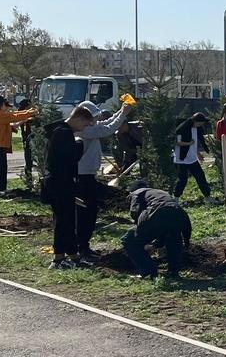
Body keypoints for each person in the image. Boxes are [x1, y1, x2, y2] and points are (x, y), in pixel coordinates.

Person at [74, 101, 133, 260]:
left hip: (87, 175)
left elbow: (104, 123)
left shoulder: (89, 126)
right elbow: (108, 129)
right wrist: (123, 114)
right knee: (86, 213)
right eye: (93, 117)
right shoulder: (84, 130)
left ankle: (83, 246)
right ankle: (82, 248)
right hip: (82, 177)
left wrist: (120, 110)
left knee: (90, 212)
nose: (95, 120)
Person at [42, 105, 92, 269]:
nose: (83, 129)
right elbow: (68, 159)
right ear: (78, 119)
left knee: (69, 219)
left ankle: (72, 255)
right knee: (63, 220)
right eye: (84, 124)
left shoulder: (59, 130)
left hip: (59, 182)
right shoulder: (63, 134)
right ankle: (58, 259)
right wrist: (79, 146)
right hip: (60, 182)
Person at [122, 180, 193, 279]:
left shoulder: (136, 193)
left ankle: (148, 271)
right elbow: (165, 219)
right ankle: (174, 271)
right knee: (173, 237)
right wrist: (156, 244)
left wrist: (141, 237)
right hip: (179, 214)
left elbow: (135, 212)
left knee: (129, 240)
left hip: (158, 213)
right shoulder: (159, 192)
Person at [0, 95, 37, 195]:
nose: (6, 107)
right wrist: (31, 112)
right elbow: (13, 116)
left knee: (1, 167)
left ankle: (1, 188)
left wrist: (27, 116)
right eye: (4, 105)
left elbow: (13, 117)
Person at [173, 113, 214, 201]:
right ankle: (175, 198)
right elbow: (176, 142)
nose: (199, 126)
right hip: (181, 159)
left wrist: (198, 153)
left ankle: (208, 197)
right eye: (199, 124)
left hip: (192, 159)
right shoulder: (182, 128)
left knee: (200, 177)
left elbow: (195, 144)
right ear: (194, 121)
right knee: (182, 180)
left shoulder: (197, 129)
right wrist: (188, 143)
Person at [16, 99, 36, 184]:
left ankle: (29, 177)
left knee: (29, 160)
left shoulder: (29, 114)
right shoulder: (24, 115)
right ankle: (29, 178)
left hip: (31, 138)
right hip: (28, 139)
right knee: (29, 160)